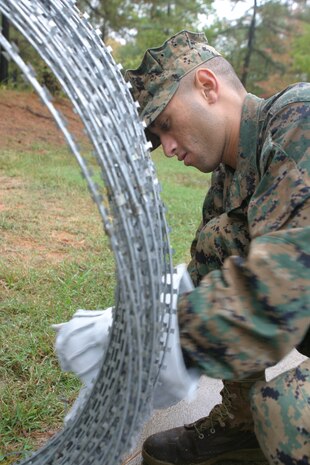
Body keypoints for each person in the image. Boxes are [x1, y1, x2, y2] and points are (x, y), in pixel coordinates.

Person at [54, 30, 309, 465]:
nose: (168, 148)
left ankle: (262, 421)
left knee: (287, 412)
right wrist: (142, 316)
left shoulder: (298, 120)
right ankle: (239, 425)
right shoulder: (229, 179)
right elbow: (208, 275)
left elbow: (282, 289)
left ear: (207, 86)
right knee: (217, 243)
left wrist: (163, 341)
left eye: (166, 125)